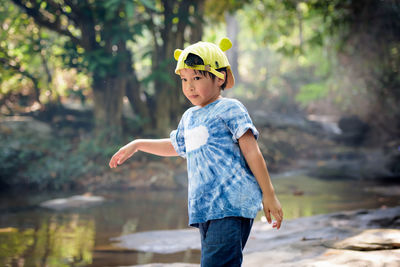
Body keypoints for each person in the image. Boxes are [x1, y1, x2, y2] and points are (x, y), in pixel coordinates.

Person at [109, 37, 283, 267]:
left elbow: (252, 152)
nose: (189, 86)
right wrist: (138, 144)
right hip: (205, 208)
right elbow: (177, 146)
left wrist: (268, 194)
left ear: (219, 77)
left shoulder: (230, 108)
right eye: (184, 79)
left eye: (197, 78)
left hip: (231, 204)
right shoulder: (190, 116)